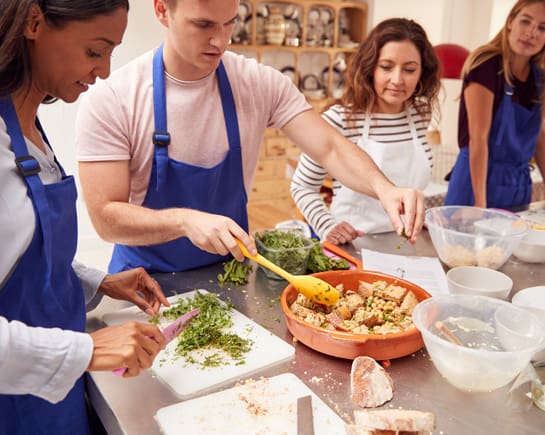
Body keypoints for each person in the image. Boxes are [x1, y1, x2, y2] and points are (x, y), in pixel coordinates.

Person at [74, 0, 426, 275]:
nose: (220, 41)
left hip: (231, 272)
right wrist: (185, 221)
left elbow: (330, 146)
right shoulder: (114, 98)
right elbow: (106, 218)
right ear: (163, 11)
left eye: (230, 23)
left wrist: (385, 188)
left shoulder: (258, 83)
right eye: (203, 25)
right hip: (145, 282)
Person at [0, 2, 171, 433]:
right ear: (34, 22)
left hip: (55, 400)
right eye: (95, 52)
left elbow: (22, 254)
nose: (106, 72)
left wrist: (100, 282)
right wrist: (87, 351)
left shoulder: (29, 130)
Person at [291, 18, 441, 245]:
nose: (397, 79)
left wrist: (423, 215)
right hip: (353, 244)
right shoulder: (340, 118)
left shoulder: (419, 115)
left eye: (409, 69)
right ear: (370, 67)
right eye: (387, 67)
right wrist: (328, 226)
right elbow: (302, 185)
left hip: (405, 242)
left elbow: (410, 185)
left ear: (422, 72)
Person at [444, 0, 545, 209]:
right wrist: (479, 204)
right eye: (525, 21)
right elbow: (478, 140)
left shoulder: (539, 79)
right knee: (463, 242)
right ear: (510, 22)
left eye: (542, 28)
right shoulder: (486, 65)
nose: (531, 32)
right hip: (476, 182)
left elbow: (540, 138)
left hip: (516, 187)